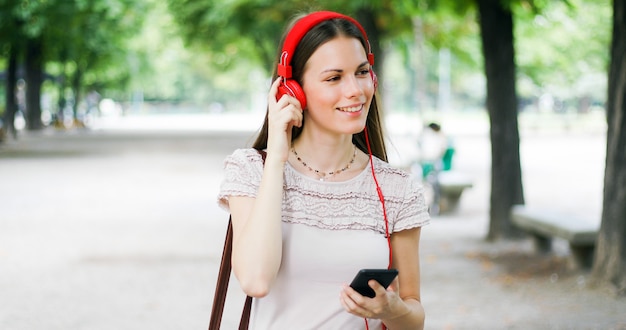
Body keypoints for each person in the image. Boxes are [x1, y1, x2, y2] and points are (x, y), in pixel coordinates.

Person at [218, 11, 430, 329]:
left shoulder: (396, 189)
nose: (356, 90)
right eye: (334, 78)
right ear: (293, 90)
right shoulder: (251, 170)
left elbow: (413, 319)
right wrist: (276, 158)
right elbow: (256, 281)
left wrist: (391, 310)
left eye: (362, 72)